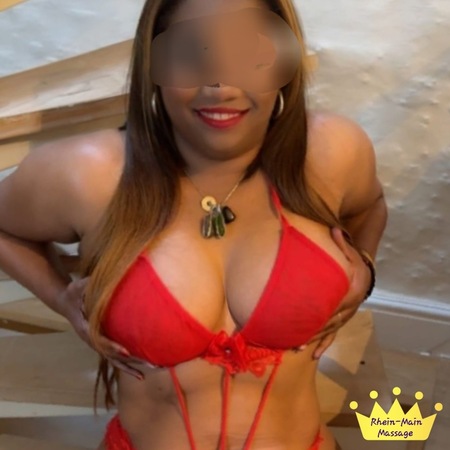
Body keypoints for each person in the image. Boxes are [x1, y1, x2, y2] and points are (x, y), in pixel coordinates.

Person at [0, 0, 388, 449]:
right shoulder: (87, 173)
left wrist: (364, 267)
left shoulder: (332, 150)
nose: (220, 86)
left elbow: (370, 206)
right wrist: (59, 298)